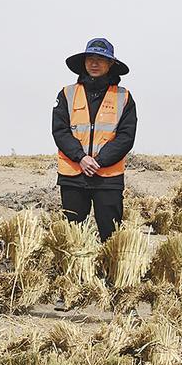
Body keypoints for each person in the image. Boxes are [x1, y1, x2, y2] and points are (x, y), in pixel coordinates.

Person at [52, 38, 138, 242]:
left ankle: (110, 264)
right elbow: (60, 131)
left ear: (111, 64)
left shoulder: (124, 97)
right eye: (90, 58)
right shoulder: (67, 94)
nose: (94, 63)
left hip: (107, 178)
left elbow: (126, 136)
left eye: (100, 59)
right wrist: (81, 157)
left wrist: (99, 161)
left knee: (112, 237)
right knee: (72, 237)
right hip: (73, 175)